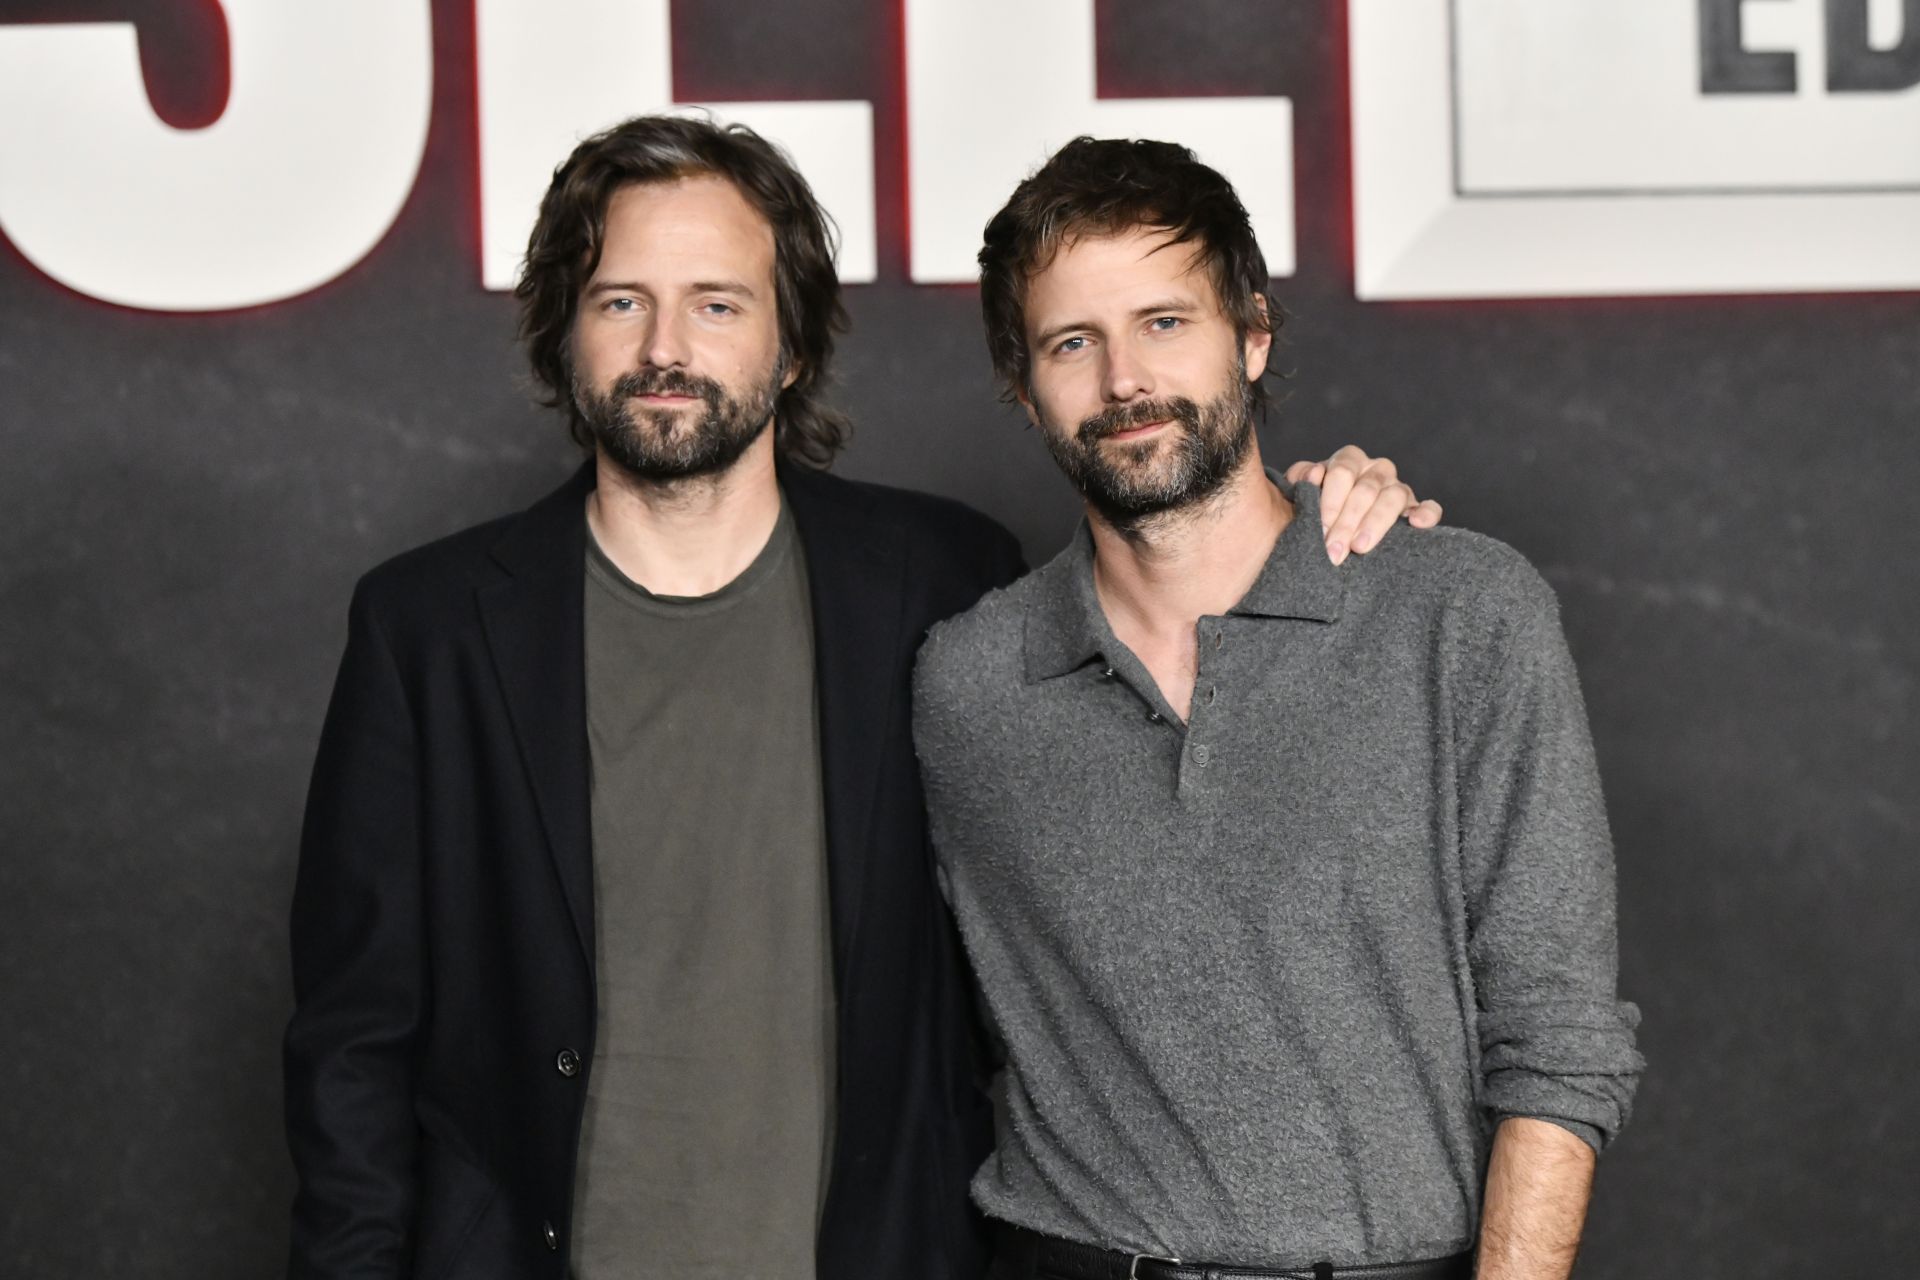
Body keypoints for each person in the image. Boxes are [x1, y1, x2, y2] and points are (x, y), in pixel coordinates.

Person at [283, 114, 1437, 1280]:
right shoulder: (426, 628)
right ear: (564, 335)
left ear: (790, 346)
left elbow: (1156, 767)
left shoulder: (946, 583)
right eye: (620, 300)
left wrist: (1331, 511)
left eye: (719, 302)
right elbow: (354, 1042)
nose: (666, 344)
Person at [912, 137, 1644, 1280]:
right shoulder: (967, 683)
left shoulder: (1461, 612)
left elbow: (1559, 1042)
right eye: (1072, 342)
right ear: (1023, 385)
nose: (1124, 382)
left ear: (1252, 336)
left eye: (1166, 322)